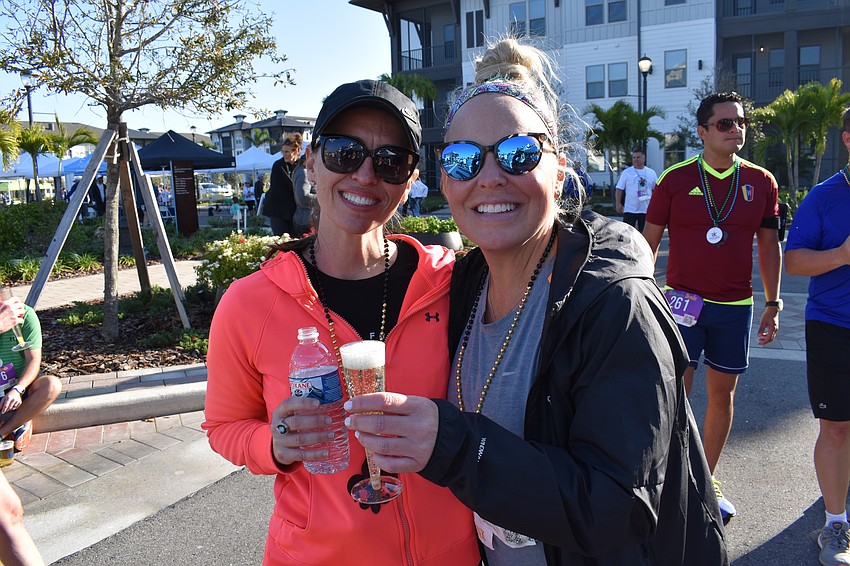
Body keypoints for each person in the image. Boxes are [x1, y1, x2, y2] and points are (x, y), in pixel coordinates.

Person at [345, 37, 727, 565]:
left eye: (518, 153)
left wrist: (457, 446)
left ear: (560, 167)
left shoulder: (614, 305)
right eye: (462, 160)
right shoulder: (463, 286)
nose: (490, 177)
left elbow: (620, 505)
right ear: (444, 178)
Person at [202, 79, 480, 565]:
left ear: (411, 179)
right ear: (310, 161)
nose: (367, 174)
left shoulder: (453, 284)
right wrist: (276, 442)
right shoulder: (249, 303)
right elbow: (224, 426)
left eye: (391, 160)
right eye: (344, 153)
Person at [642, 91, 782, 523]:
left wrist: (774, 302)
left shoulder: (761, 181)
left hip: (734, 307)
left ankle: (706, 480)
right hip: (680, 305)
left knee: (722, 397)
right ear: (702, 132)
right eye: (724, 123)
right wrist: (641, 297)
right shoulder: (674, 179)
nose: (735, 129)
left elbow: (769, 245)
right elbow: (647, 243)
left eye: (740, 122)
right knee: (674, 394)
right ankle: (667, 479)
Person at [785, 107, 850, 566]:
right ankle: (834, 524)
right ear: (848, 139)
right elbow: (795, 261)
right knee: (837, 427)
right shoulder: (825, 197)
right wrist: (843, 255)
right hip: (834, 325)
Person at [0, 293, 61, 455]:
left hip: (17, 387)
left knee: (51, 385)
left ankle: (3, 432)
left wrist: (18, 388)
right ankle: (19, 424)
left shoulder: (26, 315)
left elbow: (33, 360)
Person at [264, 137, 300, 237]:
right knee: (282, 240)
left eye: (287, 152)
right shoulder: (278, 165)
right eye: (283, 152)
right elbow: (287, 186)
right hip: (277, 210)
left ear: (296, 150)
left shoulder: (300, 165)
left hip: (293, 210)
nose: (284, 154)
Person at [616, 149, 657, 231]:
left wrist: (655, 206)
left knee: (645, 234)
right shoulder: (627, 172)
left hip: (646, 209)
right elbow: (619, 189)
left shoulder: (651, 173)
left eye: (638, 157)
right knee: (627, 234)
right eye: (634, 157)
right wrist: (618, 204)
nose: (635, 159)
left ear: (644, 158)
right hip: (630, 209)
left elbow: (656, 190)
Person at [290, 135, 316, 237]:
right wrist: (322, 197)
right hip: (305, 220)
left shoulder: (300, 171)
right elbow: (303, 197)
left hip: (304, 218)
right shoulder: (303, 172)